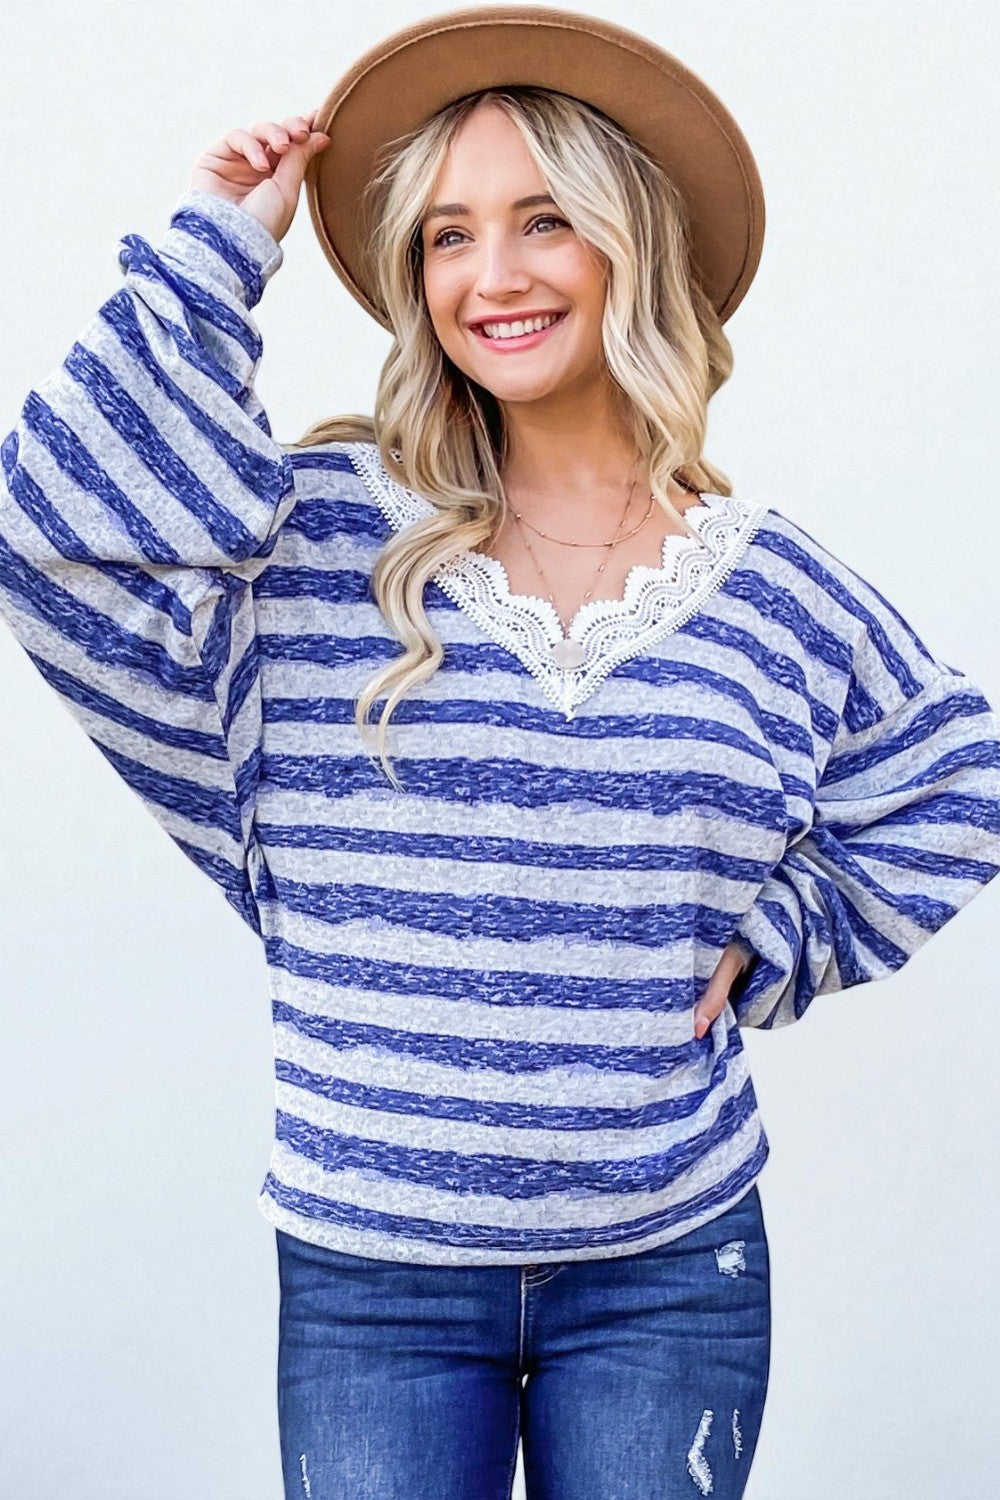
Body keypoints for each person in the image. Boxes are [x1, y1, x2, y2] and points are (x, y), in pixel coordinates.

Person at [2, 7, 998, 1498]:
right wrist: (218, 246)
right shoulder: (321, 532)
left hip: (671, 1274)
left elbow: (955, 773)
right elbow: (58, 531)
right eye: (446, 237)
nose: (493, 275)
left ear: (628, 246)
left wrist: (789, 934)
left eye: (544, 220)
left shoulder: (769, 583)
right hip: (374, 1279)